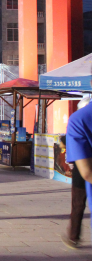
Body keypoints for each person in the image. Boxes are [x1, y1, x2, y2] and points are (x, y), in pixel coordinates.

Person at [64, 105, 92, 248]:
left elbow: (87, 172)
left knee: (78, 202)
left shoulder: (79, 118)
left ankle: (74, 235)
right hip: (81, 167)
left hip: (81, 167)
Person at [60, 136, 87, 248]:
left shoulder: (80, 123)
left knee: (78, 205)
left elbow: (63, 141)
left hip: (81, 169)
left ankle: (73, 237)